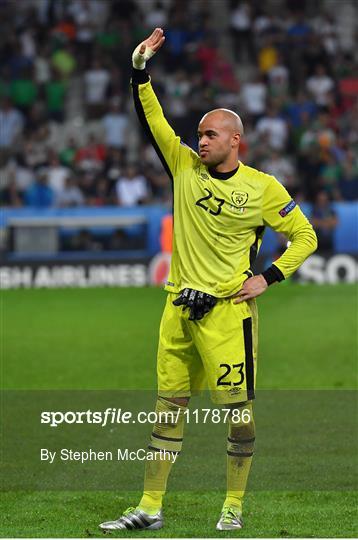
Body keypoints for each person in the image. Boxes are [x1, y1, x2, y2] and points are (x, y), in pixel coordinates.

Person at [99, 28, 317, 533]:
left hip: (227, 315)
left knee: (237, 417)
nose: (199, 141)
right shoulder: (183, 167)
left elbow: (304, 235)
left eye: (209, 135)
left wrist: (270, 276)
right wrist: (139, 72)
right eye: (197, 134)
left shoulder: (262, 188)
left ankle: (233, 507)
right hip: (177, 310)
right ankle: (150, 507)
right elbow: (151, 119)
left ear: (234, 140)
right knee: (166, 411)